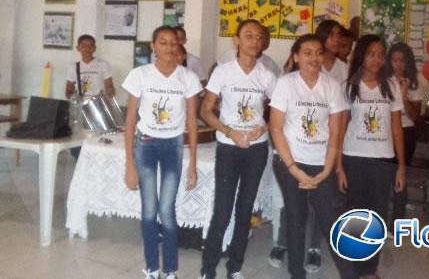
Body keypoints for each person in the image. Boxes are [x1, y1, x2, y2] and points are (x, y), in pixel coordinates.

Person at [269, 34, 358, 279]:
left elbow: (336, 130)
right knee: (296, 221)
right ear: (296, 57)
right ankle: (297, 274)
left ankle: (350, 274)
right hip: (289, 162)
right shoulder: (286, 83)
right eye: (307, 53)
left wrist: (326, 171)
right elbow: (276, 128)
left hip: (322, 164)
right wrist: (294, 169)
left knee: (332, 222)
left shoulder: (331, 86)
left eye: (318, 52)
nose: (314, 58)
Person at [200, 19, 277, 279]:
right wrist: (230, 132)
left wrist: (263, 128)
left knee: (245, 211)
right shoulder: (223, 71)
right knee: (222, 212)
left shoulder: (267, 76)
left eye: (259, 37)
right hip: (229, 149)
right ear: (237, 39)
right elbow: (206, 110)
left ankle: (234, 267)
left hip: (256, 151)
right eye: (249, 35)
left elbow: (279, 114)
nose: (254, 41)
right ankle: (208, 268)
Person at [123, 26, 200, 279]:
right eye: (163, 42)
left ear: (179, 46)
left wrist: (192, 165)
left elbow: (191, 122)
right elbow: (130, 120)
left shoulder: (187, 78)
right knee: (148, 209)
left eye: (173, 43)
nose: (169, 47)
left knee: (166, 209)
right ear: (153, 46)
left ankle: (170, 270)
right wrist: (129, 165)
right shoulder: (139, 75)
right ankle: (152, 268)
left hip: (173, 146)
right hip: (145, 145)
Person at [337, 34, 405, 279]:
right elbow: (340, 128)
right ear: (361, 56)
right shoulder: (349, 86)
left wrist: (401, 166)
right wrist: (339, 167)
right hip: (354, 158)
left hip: (383, 161)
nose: (377, 59)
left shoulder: (392, 85)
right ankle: (354, 269)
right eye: (371, 53)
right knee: (355, 215)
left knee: (376, 216)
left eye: (380, 54)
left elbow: (397, 127)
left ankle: (370, 270)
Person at [386, 42, 424, 222]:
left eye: (403, 61)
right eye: (394, 60)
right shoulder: (384, 79)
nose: (399, 65)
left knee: (400, 176)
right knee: (385, 176)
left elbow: (415, 116)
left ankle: (396, 221)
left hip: (406, 131)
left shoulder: (415, 81)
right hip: (385, 132)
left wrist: (404, 95)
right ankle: (383, 218)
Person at [65, 34, 115, 100]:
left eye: (90, 46)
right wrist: (74, 100)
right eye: (84, 46)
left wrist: (110, 95)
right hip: (81, 104)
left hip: (99, 103)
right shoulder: (73, 67)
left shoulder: (103, 64)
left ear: (94, 48)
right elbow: (69, 91)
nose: (87, 48)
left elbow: (110, 87)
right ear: (78, 48)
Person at [315, 19, 348, 84]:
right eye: (331, 35)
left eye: (339, 35)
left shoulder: (345, 68)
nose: (337, 39)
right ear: (322, 36)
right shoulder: (312, 64)